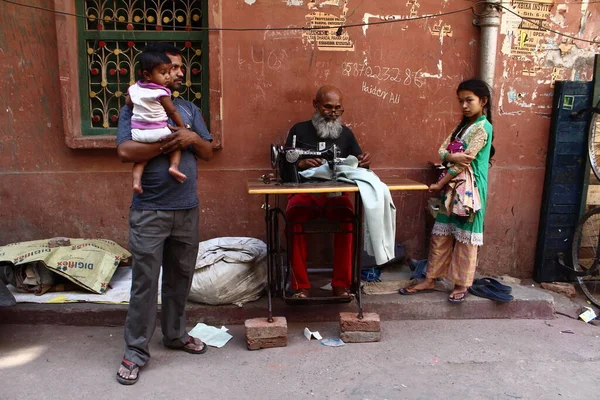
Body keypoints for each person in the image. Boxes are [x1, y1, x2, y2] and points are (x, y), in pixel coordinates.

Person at [115, 43, 213, 385]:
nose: (179, 72)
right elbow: (126, 150)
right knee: (145, 282)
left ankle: (174, 334)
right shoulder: (135, 103)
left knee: (180, 277)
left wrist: (190, 137)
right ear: (152, 72)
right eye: (173, 67)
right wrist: (168, 144)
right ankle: (136, 351)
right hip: (149, 211)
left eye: (180, 67)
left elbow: (209, 150)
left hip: (187, 208)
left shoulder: (188, 108)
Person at [399, 78, 494, 303]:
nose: (464, 105)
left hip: (470, 191)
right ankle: (431, 278)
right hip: (452, 187)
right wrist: (450, 156)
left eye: (469, 100)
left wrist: (440, 183)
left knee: (465, 239)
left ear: (483, 101)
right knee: (440, 234)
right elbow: (443, 151)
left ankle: (462, 283)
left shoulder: (483, 127)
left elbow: (465, 162)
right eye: (460, 101)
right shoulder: (462, 126)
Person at [284, 85, 371, 299]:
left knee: (348, 220)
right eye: (328, 107)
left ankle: (342, 284)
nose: (333, 112)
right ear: (315, 105)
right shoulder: (299, 130)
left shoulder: (346, 134)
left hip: (336, 195)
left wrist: (364, 163)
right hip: (304, 192)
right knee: (294, 218)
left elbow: (359, 166)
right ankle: (300, 286)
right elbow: (284, 166)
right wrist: (301, 164)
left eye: (338, 108)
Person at [127, 51, 187, 194]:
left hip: (138, 133)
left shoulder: (135, 88)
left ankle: (136, 182)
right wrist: (181, 126)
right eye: (163, 73)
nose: (167, 76)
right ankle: (173, 166)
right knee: (176, 144)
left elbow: (129, 102)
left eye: (168, 72)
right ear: (147, 75)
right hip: (159, 131)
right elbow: (172, 111)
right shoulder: (161, 92)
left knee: (141, 160)